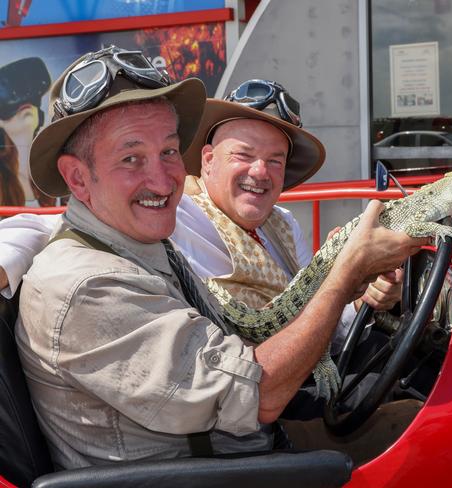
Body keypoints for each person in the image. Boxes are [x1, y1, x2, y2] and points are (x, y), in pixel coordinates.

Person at [12, 46, 426, 469]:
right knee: (435, 442)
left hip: (242, 447)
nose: (162, 180)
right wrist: (346, 272)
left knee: (420, 417)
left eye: (170, 151)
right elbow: (258, 394)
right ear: (77, 177)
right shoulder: (88, 281)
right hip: (221, 469)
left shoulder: (142, 241)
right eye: (131, 158)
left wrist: (356, 285)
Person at [0, 80, 402, 354]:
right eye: (243, 155)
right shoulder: (176, 210)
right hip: (249, 406)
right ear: (208, 161)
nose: (260, 172)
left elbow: (314, 316)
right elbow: (53, 225)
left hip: (294, 380)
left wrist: (364, 297)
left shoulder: (283, 224)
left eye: (274, 161)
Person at [0, 57, 53, 206]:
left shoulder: (55, 172)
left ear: (39, 116)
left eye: (34, 101)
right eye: (8, 109)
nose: (25, 105)